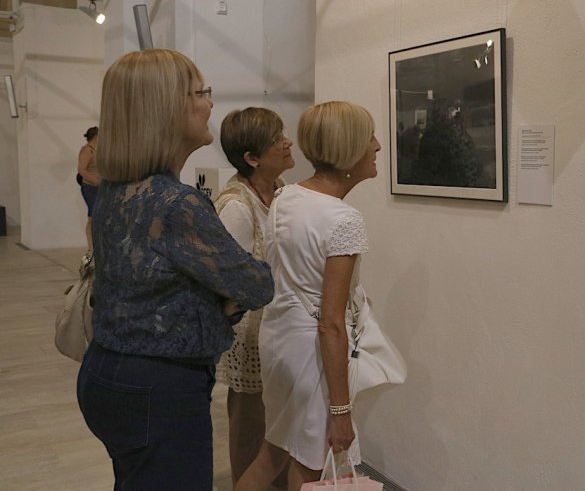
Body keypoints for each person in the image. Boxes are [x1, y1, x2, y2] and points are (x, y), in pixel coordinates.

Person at [76, 49, 275, 490]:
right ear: (166, 107)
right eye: (200, 92)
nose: (209, 103)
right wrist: (217, 301)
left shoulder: (115, 189)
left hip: (107, 372)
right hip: (158, 389)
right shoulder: (176, 203)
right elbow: (257, 284)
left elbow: (144, 282)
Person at [235, 101, 381, 491]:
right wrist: (341, 411)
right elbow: (330, 323)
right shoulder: (343, 219)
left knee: (274, 454)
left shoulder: (288, 196)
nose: (378, 146)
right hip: (311, 355)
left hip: (279, 340)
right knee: (311, 467)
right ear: (349, 148)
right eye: (370, 138)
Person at [216, 107, 295, 488]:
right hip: (251, 341)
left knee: (278, 431)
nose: (288, 142)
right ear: (252, 158)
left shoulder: (281, 194)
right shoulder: (236, 206)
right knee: (251, 433)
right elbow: (231, 288)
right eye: (278, 139)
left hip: (277, 336)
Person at [77, 126, 100, 251]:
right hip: (90, 188)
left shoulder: (97, 150)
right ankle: (91, 247)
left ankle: (95, 245)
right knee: (92, 216)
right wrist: (96, 180)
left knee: (94, 217)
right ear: (96, 136)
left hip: (99, 188)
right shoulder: (87, 150)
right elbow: (81, 170)